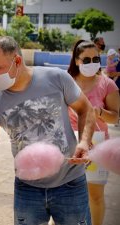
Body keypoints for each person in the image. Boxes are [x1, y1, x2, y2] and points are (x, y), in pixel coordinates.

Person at [0, 36, 95, 225]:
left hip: (70, 182)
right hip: (28, 187)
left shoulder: (56, 78)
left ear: (16, 61)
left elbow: (86, 109)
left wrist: (83, 141)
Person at [68, 40, 119, 225]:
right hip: (69, 140)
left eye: (95, 58)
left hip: (98, 144)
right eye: (86, 59)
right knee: (63, 193)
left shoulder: (107, 84)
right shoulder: (66, 82)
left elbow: (115, 117)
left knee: (95, 195)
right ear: (76, 61)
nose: (91, 63)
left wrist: (100, 112)